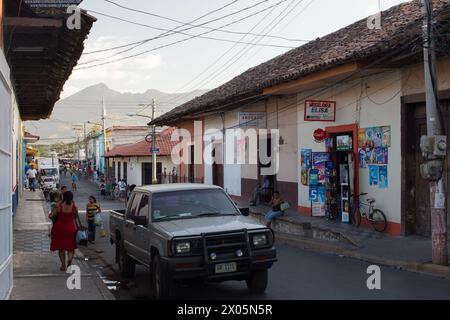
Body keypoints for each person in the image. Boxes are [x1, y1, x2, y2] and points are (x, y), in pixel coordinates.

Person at [49, 191, 81, 271]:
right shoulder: (74, 206)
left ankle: (63, 265)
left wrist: (54, 214)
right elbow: (76, 216)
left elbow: (50, 215)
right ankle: (69, 260)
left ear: (63, 197)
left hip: (60, 228)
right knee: (71, 247)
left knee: (61, 248)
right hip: (71, 228)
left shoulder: (59, 206)